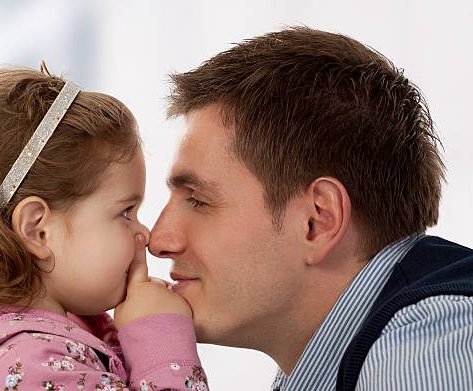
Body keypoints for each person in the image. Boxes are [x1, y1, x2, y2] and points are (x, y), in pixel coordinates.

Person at [149, 27, 473, 390]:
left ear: (317, 221)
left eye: (198, 200)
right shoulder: (337, 361)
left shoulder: (420, 349)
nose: (158, 240)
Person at [0, 65, 209, 391]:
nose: (145, 235)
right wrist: (159, 343)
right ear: (37, 230)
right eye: (125, 212)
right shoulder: (34, 369)